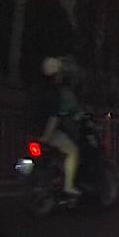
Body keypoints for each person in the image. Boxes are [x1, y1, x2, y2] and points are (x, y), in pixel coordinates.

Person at [36, 57, 83, 196]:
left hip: (30, 130)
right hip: (44, 133)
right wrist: (46, 136)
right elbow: (54, 117)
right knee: (73, 150)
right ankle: (68, 186)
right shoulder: (55, 92)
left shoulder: (36, 88)